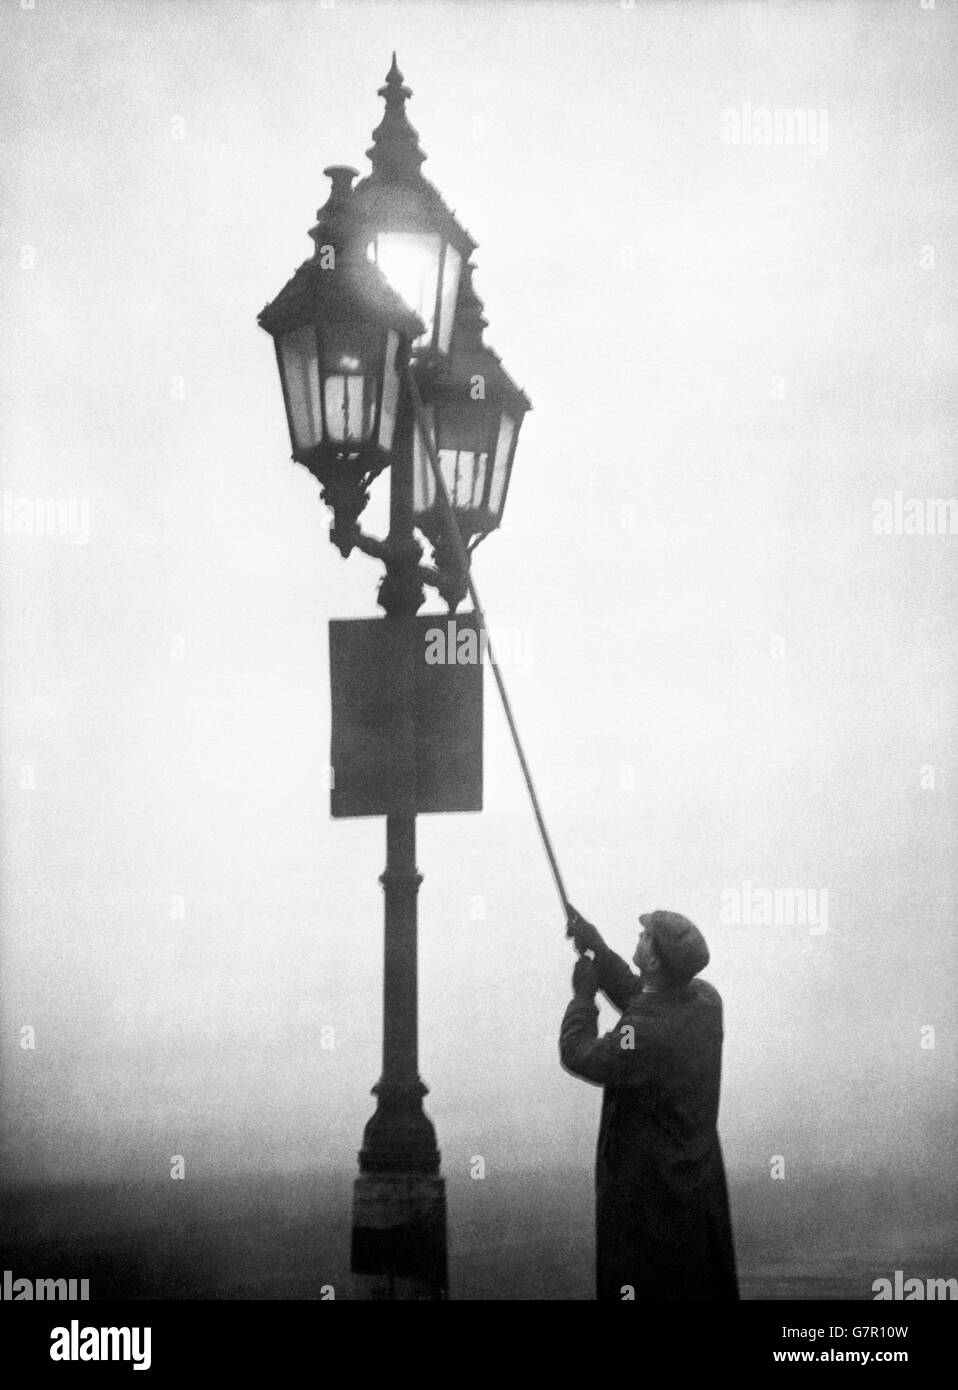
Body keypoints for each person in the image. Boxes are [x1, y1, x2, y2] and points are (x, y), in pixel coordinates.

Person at [560, 905, 739, 1301]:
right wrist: (599, 951)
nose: (638, 938)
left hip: (648, 1198)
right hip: (694, 1188)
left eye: (645, 937)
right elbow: (642, 996)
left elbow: (579, 1053)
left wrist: (583, 996)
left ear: (655, 959)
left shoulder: (642, 1035)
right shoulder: (705, 1002)